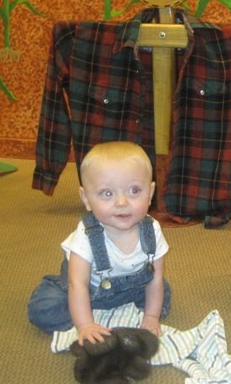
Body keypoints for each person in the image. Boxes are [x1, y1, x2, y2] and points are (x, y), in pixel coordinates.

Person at [28, 141, 171, 344]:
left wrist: (151, 317)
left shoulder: (152, 230)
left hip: (131, 290)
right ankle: (92, 314)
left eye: (134, 191)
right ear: (86, 199)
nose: (121, 203)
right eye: (107, 193)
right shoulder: (86, 235)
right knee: (44, 309)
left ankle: (109, 315)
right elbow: (78, 285)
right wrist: (85, 326)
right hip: (88, 290)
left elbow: (155, 279)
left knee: (163, 292)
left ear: (150, 193)